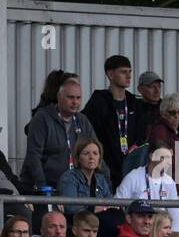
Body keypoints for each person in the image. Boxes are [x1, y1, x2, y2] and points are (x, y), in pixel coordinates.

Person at [22, 77, 98, 193]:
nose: (75, 102)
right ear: (59, 97)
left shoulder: (82, 120)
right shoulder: (42, 118)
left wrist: (105, 182)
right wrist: (44, 188)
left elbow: (97, 151)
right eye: (70, 97)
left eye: (78, 98)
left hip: (74, 187)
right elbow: (34, 157)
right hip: (46, 187)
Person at [81, 55, 144, 187]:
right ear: (110, 74)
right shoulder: (98, 102)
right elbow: (88, 134)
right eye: (123, 72)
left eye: (129, 72)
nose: (128, 76)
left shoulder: (134, 102)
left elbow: (142, 133)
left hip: (131, 168)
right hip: (105, 169)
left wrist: (136, 146)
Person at [56, 138, 113, 218]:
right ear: (78, 158)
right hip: (79, 221)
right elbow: (69, 207)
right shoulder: (69, 178)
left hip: (100, 219)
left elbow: (111, 203)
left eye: (95, 153)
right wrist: (92, 209)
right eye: (86, 153)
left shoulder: (101, 179)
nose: (91, 157)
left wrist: (103, 209)